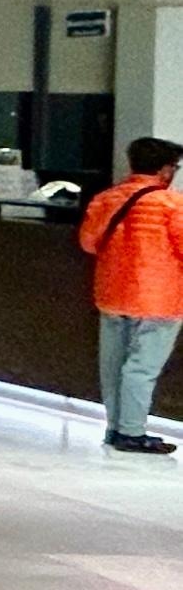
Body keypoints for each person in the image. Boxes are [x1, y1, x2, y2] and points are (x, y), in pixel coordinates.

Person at [78, 136, 183, 457]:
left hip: (112, 294)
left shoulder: (106, 199)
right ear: (165, 169)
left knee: (113, 366)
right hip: (159, 299)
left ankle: (115, 428)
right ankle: (132, 433)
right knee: (141, 368)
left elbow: (88, 243)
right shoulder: (172, 204)